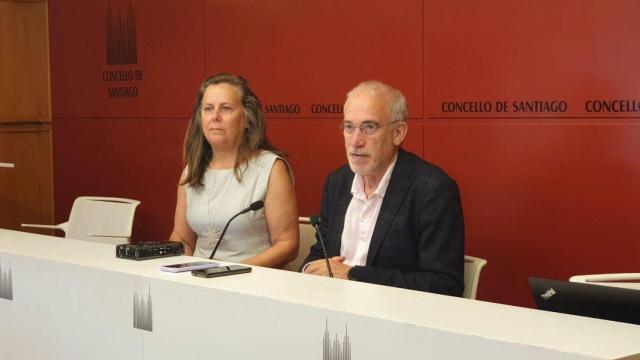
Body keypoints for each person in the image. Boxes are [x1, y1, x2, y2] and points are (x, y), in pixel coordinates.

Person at [302, 81, 465, 296]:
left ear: (398, 133)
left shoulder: (432, 190)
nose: (355, 141)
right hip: (333, 311)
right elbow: (319, 255)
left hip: (396, 318)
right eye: (349, 127)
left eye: (369, 127)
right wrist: (308, 270)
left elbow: (444, 284)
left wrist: (353, 275)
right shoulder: (337, 183)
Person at [170, 73, 299, 268]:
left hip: (254, 282)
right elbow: (182, 238)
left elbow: (287, 245)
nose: (215, 117)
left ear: (247, 118)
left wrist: (232, 272)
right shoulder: (193, 169)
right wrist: (180, 271)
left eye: (226, 108)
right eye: (208, 109)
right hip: (199, 282)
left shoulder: (271, 168)